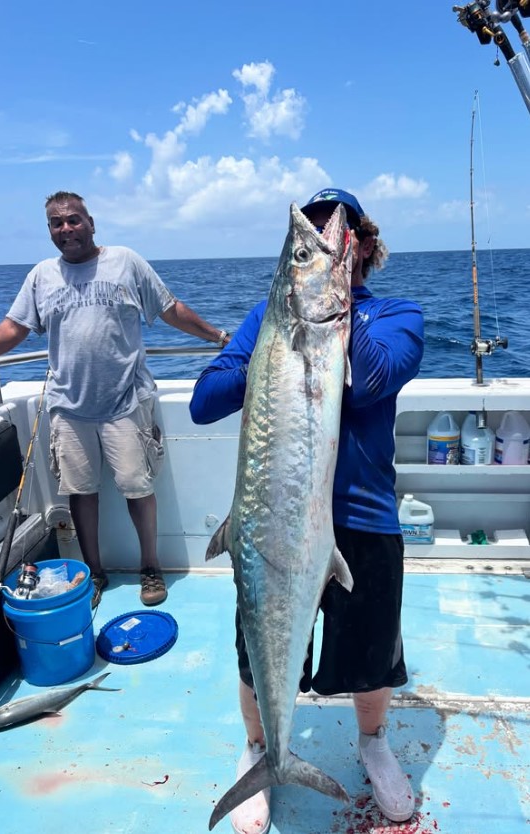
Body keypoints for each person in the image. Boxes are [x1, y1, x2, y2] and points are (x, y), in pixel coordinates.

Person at [189, 188, 424, 833]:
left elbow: (372, 379)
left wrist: (332, 312)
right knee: (255, 648)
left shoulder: (399, 315)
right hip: (270, 519)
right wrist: (269, 349)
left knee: (373, 652)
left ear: (363, 247)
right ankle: (263, 752)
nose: (323, 238)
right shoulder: (267, 322)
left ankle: (373, 743)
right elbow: (203, 402)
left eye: (335, 231)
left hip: (366, 516)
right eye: (308, 240)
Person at [0, 191, 232, 608]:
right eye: (57, 223)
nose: (67, 229)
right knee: (80, 492)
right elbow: (13, 329)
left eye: (74, 220)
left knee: (138, 487)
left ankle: (149, 567)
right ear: (50, 231)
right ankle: (94, 573)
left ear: (91, 223)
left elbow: (170, 309)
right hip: (68, 406)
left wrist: (221, 338)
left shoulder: (126, 262)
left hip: (126, 402)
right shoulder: (42, 275)